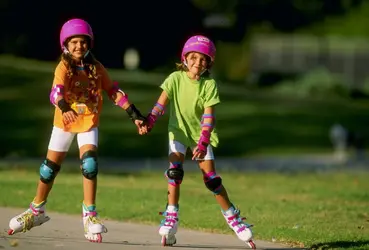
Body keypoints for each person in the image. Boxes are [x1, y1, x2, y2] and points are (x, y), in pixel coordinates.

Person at [7, 18, 147, 243]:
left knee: (90, 165)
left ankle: (90, 215)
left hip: (88, 121)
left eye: (83, 42)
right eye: (74, 42)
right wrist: (64, 108)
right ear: (65, 44)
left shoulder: (96, 68)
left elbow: (113, 90)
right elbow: (56, 92)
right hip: (64, 122)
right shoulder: (63, 67)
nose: (79, 46)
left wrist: (134, 114)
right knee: (48, 170)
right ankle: (36, 210)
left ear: (89, 43)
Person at [143, 35, 256, 248]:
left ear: (209, 63)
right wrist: (149, 121)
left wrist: (203, 141)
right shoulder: (175, 78)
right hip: (177, 132)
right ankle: (171, 216)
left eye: (203, 59)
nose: (198, 62)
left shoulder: (209, 84)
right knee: (174, 172)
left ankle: (233, 218)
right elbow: (160, 105)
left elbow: (208, 116)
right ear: (185, 58)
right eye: (193, 57)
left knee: (211, 180)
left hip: (201, 136)